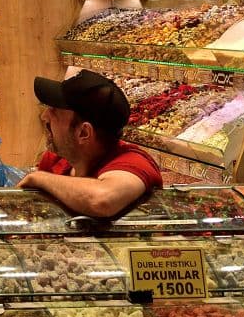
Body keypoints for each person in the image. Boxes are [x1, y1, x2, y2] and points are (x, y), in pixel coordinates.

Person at [17, 69, 162, 218]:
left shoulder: (133, 161)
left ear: (84, 133)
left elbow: (102, 200)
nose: (44, 117)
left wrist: (38, 178)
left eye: (53, 111)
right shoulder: (55, 159)